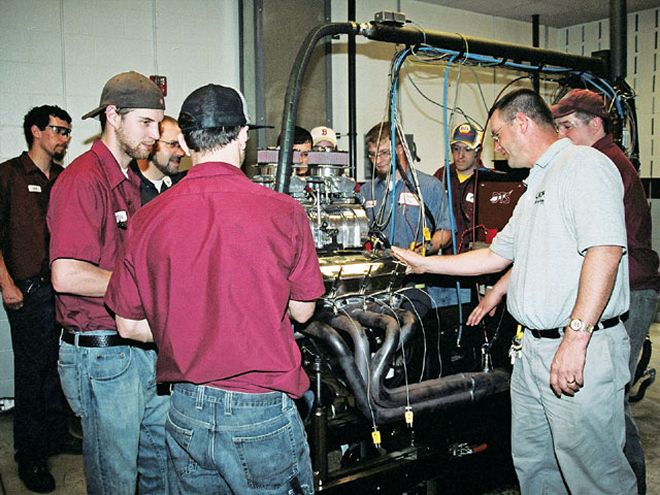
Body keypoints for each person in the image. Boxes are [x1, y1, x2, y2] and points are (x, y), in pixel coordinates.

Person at [393, 88, 637, 494]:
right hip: (534, 355)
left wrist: (576, 340)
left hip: (576, 348)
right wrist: (424, 263)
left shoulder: (584, 165)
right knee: (536, 465)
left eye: (497, 133)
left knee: (594, 474)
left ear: (521, 122)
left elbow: (606, 251)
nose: (497, 144)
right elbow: (495, 256)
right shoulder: (536, 184)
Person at [105, 83, 325, 495]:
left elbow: (129, 326)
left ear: (186, 142)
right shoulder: (285, 212)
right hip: (261, 411)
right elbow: (303, 311)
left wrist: (190, 329)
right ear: (243, 135)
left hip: (186, 411)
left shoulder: (146, 219)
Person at [47, 71, 169, 494]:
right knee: (115, 480)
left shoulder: (132, 181)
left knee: (160, 469)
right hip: (102, 358)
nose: (154, 134)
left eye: (158, 123)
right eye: (146, 123)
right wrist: (142, 290)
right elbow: (66, 274)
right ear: (113, 116)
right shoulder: (83, 180)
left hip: (139, 347)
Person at [0, 105, 80, 493]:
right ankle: (29, 456)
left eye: (67, 132)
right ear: (35, 130)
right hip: (26, 290)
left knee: (56, 370)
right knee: (32, 376)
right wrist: (6, 285)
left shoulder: (63, 180)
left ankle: (54, 437)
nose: (64, 138)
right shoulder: (9, 175)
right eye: (57, 130)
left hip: (60, 288)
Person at [361, 121, 451, 311]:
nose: (377, 161)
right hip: (378, 284)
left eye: (384, 153)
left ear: (400, 149)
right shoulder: (367, 191)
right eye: (372, 155)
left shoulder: (428, 186)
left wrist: (425, 249)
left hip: (416, 283)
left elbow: (446, 231)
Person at [433, 122, 485, 254]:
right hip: (444, 260)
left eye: (467, 149)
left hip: (476, 261)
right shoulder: (441, 176)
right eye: (456, 149)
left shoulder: (488, 181)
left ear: (478, 151)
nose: (460, 155)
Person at [131, 115, 186, 204]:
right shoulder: (127, 188)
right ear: (151, 143)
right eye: (173, 144)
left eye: (181, 145)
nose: (181, 153)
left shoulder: (182, 187)